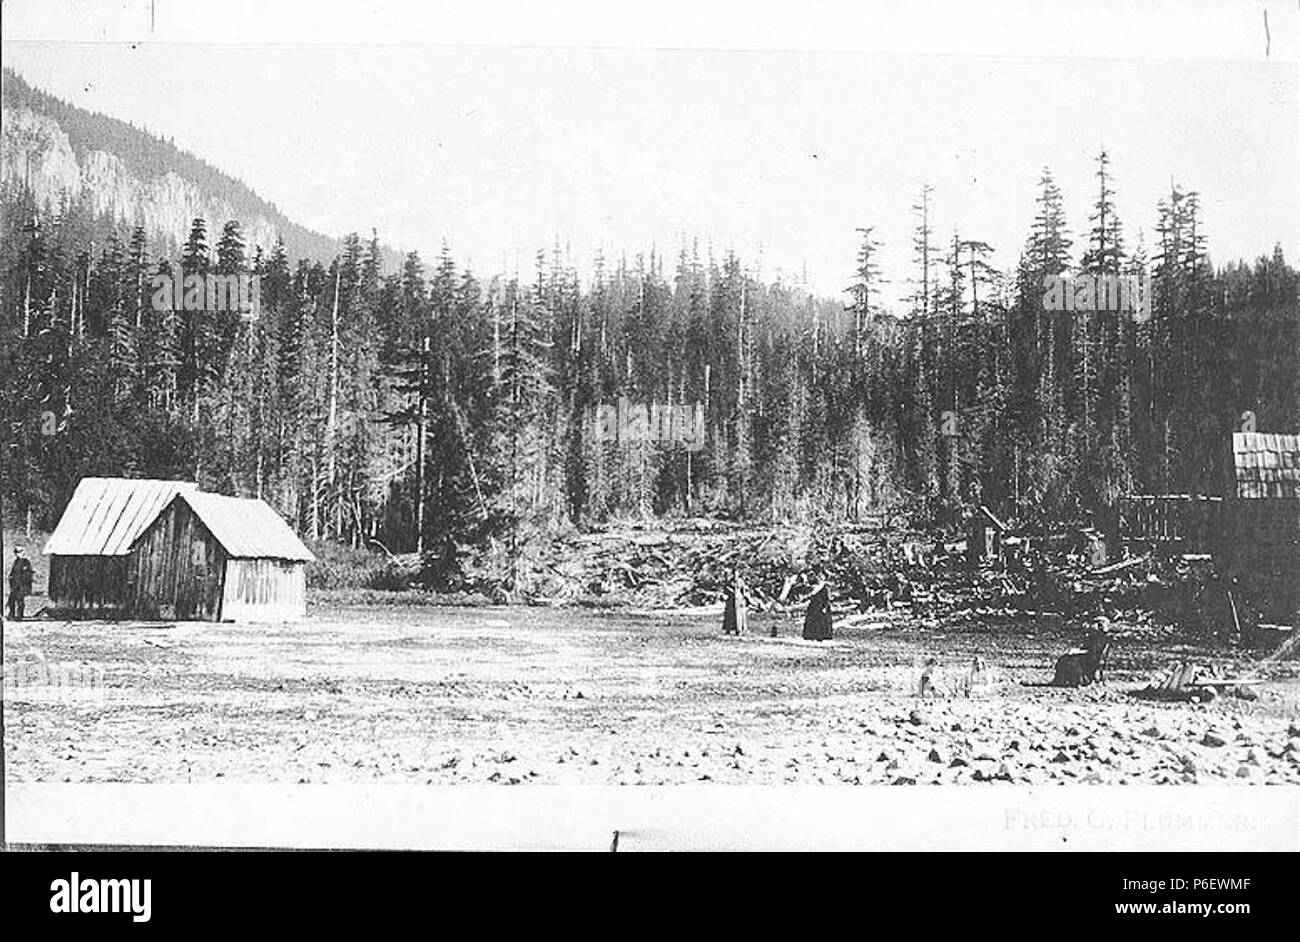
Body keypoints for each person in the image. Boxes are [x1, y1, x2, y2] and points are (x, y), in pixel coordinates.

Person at [8, 545, 35, 621]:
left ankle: (20, 616)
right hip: (15, 585)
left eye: (20, 552)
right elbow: (13, 572)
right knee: (11, 601)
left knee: (20, 601)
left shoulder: (26, 562)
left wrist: (24, 583)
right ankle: (11, 615)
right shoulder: (16, 561)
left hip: (21, 585)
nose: (18, 554)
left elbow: (28, 574)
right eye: (17, 552)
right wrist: (11, 579)